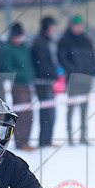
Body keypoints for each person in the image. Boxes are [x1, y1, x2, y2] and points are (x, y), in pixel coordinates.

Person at [57, 15, 95, 145]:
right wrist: (73, 70)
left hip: (86, 79)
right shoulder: (65, 40)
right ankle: (70, 136)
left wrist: (92, 72)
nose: (78, 27)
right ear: (71, 26)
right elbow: (62, 58)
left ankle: (83, 136)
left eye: (80, 25)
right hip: (73, 79)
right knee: (71, 108)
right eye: (76, 25)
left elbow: (92, 59)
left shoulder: (87, 40)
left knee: (84, 109)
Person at [1, 23, 35, 150]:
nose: (17, 39)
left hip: (27, 84)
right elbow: (7, 69)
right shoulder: (8, 49)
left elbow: (30, 65)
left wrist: (30, 75)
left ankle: (27, 140)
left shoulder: (25, 48)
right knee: (21, 113)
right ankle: (20, 142)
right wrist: (22, 75)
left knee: (29, 113)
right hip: (17, 84)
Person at [31, 17, 59, 148]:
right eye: (53, 26)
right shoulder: (40, 42)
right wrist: (52, 74)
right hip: (43, 81)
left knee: (50, 111)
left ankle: (47, 139)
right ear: (48, 26)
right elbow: (42, 64)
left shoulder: (46, 41)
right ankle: (44, 140)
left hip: (48, 80)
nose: (55, 29)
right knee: (47, 112)